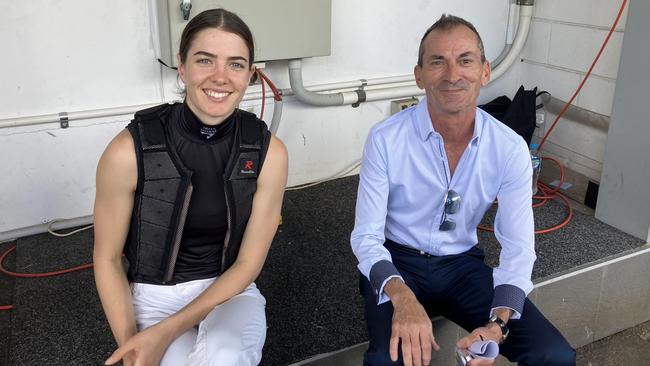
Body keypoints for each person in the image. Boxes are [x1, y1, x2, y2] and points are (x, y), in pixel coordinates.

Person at [351, 14, 575, 366]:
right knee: (386, 361)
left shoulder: (509, 147)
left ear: (485, 72)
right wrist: (402, 298)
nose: (453, 75)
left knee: (554, 355)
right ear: (419, 76)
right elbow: (365, 238)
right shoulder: (385, 139)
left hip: (461, 267)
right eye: (437, 62)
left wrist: (497, 326)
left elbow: (518, 248)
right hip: (397, 261)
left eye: (465, 60)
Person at [93, 8, 287, 366]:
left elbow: (248, 264)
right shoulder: (127, 152)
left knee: (224, 356)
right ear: (181, 66)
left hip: (231, 291)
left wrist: (167, 332)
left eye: (235, 64)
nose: (220, 77)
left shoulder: (269, 153)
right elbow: (106, 258)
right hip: (154, 295)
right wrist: (132, 345)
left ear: (250, 75)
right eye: (205, 60)